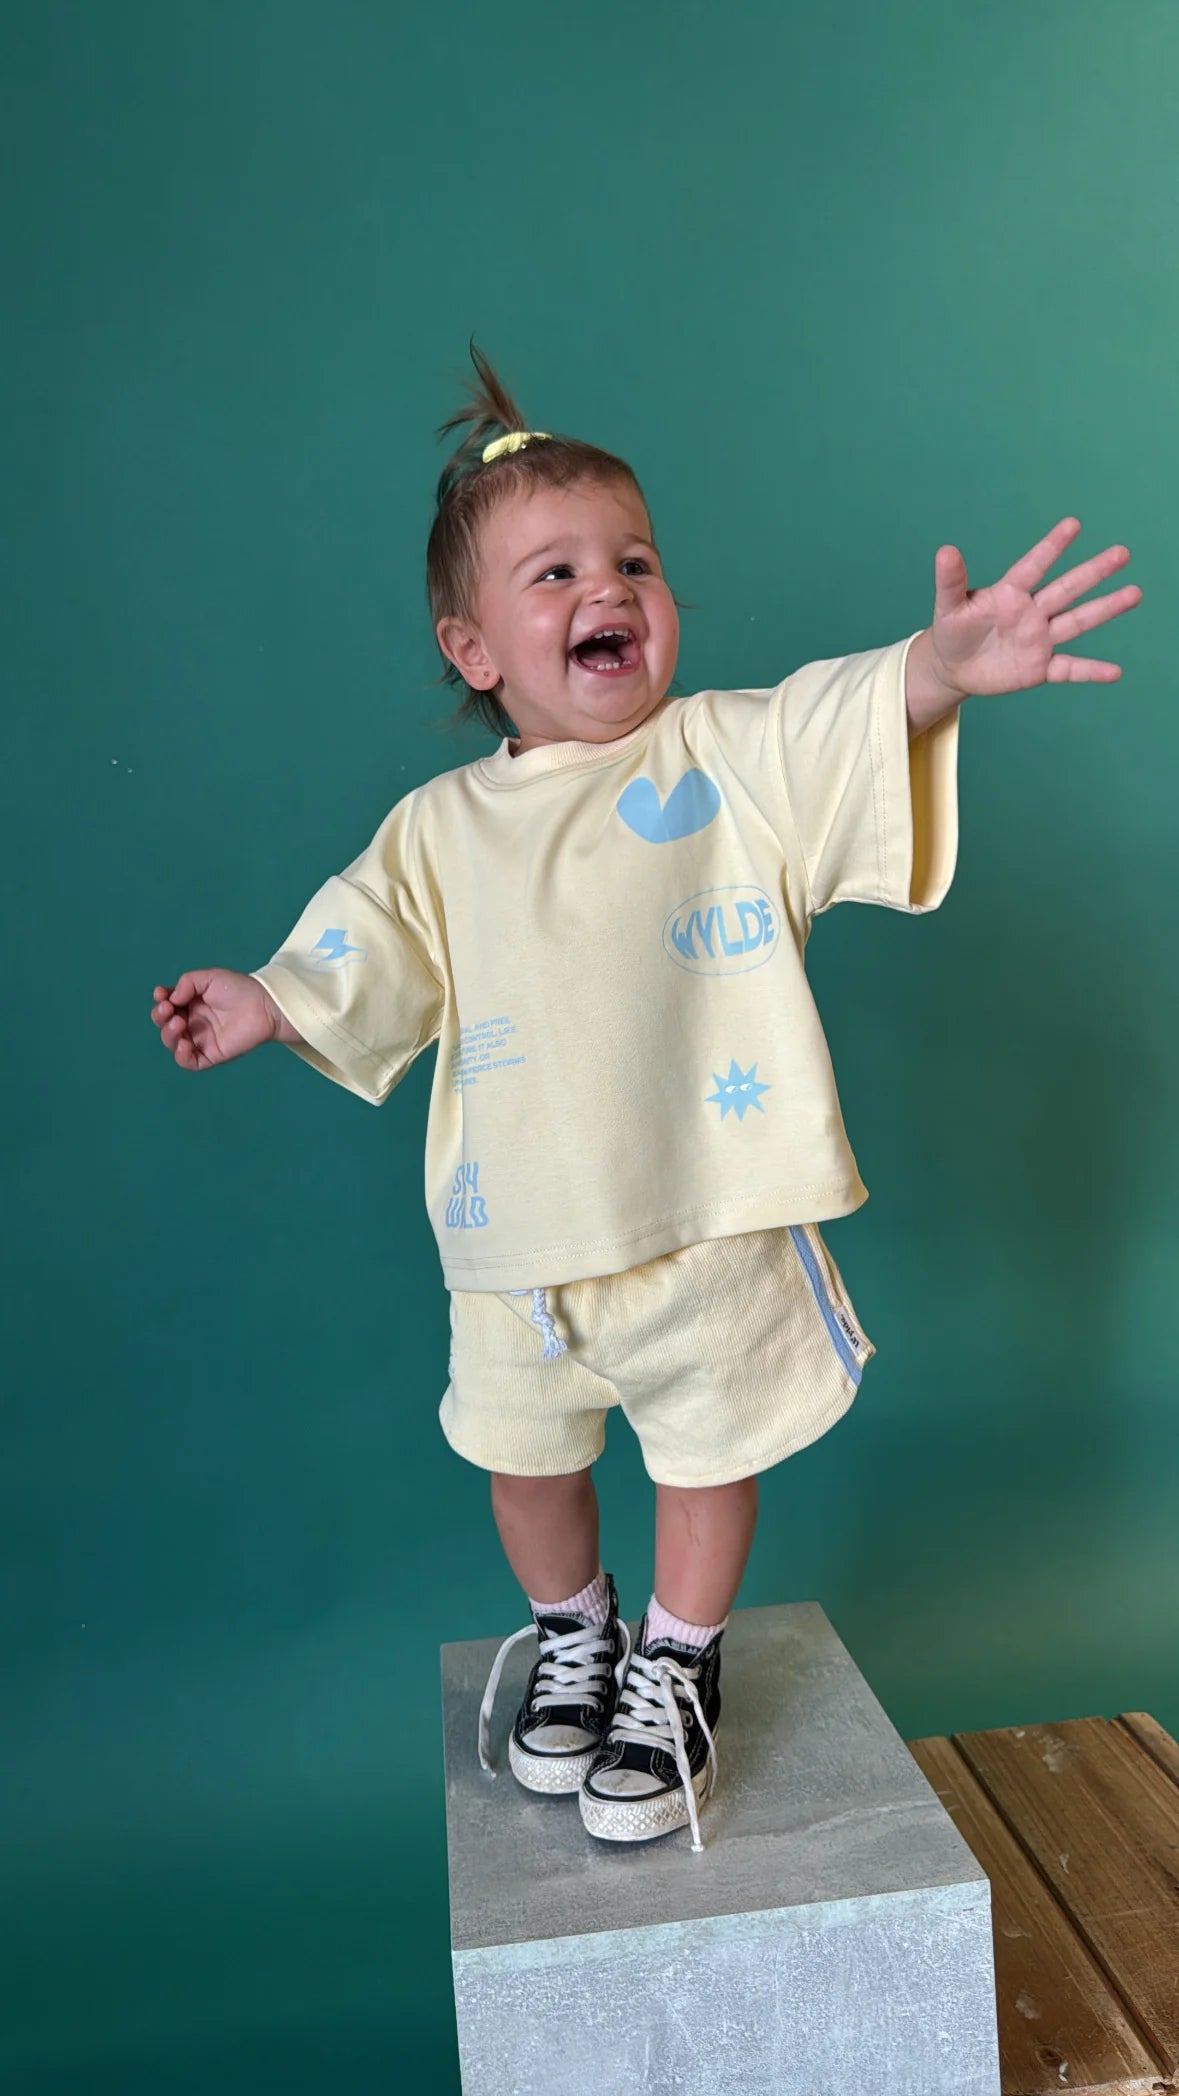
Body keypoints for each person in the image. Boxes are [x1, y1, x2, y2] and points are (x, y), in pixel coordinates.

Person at [151, 344, 1141, 1854]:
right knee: (522, 1460)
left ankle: (679, 1658)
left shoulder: (724, 755)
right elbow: (368, 944)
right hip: (517, 1235)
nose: (604, 589)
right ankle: (577, 1630)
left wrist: (940, 670)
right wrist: (268, 999)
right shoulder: (441, 826)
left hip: (707, 1208)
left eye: (633, 561)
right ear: (472, 648)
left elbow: (835, 719)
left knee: (705, 1454)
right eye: (551, 574)